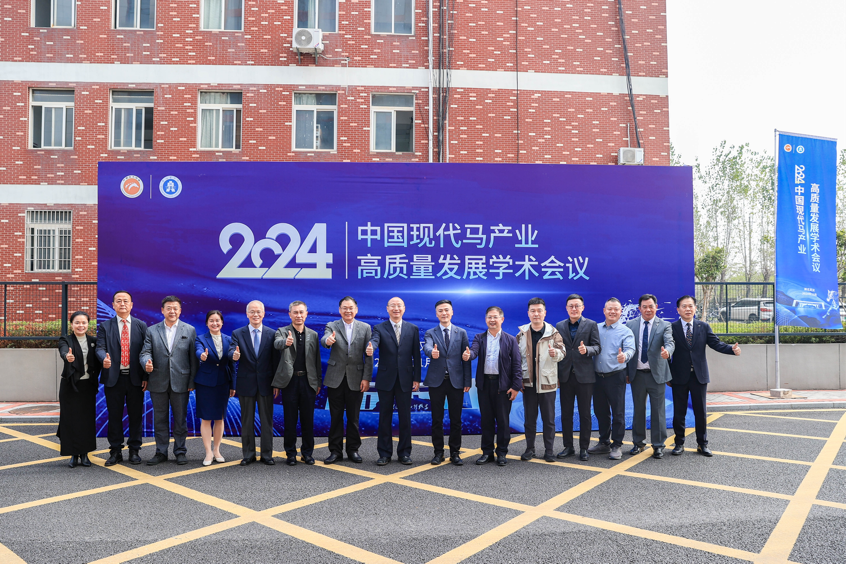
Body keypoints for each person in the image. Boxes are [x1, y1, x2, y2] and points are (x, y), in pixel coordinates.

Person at [669, 295, 741, 457]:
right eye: (684, 306)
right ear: (678, 310)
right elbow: (667, 351)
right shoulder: (671, 328)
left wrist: (731, 350)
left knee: (700, 412)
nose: (688, 309)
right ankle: (679, 443)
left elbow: (716, 344)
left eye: (690, 306)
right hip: (679, 376)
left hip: (699, 376)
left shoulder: (703, 326)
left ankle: (702, 444)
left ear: (695, 308)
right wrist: (668, 375)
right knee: (679, 412)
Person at [140, 296, 199, 465]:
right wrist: (146, 362)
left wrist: (192, 381)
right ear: (162, 310)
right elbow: (145, 352)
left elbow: (193, 359)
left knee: (180, 419)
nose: (172, 311)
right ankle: (161, 452)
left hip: (181, 382)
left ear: (180, 311)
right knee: (160, 419)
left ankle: (180, 451)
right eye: (168, 308)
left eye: (175, 308)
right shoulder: (152, 330)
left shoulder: (189, 330)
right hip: (158, 380)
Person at [463, 306, 522, 466]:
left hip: (503, 385)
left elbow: (517, 364)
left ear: (502, 319)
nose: (492, 320)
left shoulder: (510, 339)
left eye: (495, 317)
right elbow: (474, 352)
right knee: (486, 420)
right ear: (485, 319)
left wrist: (516, 386)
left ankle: (502, 453)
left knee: (503, 421)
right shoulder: (479, 337)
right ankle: (487, 453)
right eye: (489, 317)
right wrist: (469, 355)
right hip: (484, 385)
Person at [95, 290, 147, 466]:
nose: (122, 304)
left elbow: (146, 352)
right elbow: (100, 347)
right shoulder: (105, 326)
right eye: (119, 301)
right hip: (113, 378)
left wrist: (146, 376)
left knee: (136, 416)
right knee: (115, 416)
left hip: (135, 379)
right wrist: (103, 358)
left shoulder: (141, 326)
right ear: (113, 305)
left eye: (126, 301)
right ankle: (115, 451)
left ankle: (134, 450)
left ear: (131, 305)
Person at [368, 297, 421, 466]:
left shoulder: (412, 328)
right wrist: (371, 346)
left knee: (405, 418)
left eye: (399, 306)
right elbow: (375, 340)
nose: (396, 308)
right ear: (387, 309)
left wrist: (417, 378)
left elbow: (416, 355)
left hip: (406, 379)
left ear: (404, 308)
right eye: (393, 306)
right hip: (386, 379)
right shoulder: (379, 328)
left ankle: (404, 453)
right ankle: (384, 453)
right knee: (385, 417)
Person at [321, 296, 373, 464]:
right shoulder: (332, 325)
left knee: (353, 417)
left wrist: (366, 378)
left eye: (351, 308)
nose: (348, 311)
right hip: (335, 378)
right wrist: (328, 341)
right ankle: (335, 451)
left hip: (356, 379)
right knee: (335, 417)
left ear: (356, 310)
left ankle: (353, 450)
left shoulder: (365, 328)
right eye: (344, 308)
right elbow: (325, 339)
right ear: (340, 310)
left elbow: (369, 355)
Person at [229, 300, 280, 466]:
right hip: (246, 384)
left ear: (263, 314)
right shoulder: (238, 333)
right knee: (246, 421)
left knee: (266, 421)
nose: (255, 314)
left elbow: (276, 361)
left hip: (266, 384)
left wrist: (276, 383)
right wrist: (234, 355)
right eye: (252, 311)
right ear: (247, 314)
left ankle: (267, 455)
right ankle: (248, 454)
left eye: (258, 311)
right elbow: (231, 350)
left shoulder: (272, 334)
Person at [626, 293, 675, 459]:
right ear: (639, 308)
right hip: (637, 374)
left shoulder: (665, 325)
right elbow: (626, 348)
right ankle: (638, 443)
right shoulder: (630, 324)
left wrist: (668, 351)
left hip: (657, 375)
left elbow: (670, 342)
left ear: (656, 307)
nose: (648, 309)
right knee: (638, 410)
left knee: (658, 411)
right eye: (644, 307)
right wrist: (626, 372)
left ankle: (658, 445)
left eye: (651, 306)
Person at [272, 301, 321, 466]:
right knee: (290, 420)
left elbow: (316, 360)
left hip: (308, 382)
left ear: (306, 314)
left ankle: (307, 453)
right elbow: (277, 343)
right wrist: (285, 342)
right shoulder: (282, 331)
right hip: (290, 382)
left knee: (308, 420)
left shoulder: (313, 334)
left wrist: (318, 382)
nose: (298, 315)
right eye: (295, 312)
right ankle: (290, 454)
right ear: (290, 314)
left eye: (301, 312)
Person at [423, 299, 472, 466]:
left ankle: (455, 453)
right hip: (437, 382)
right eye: (440, 311)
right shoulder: (430, 332)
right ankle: (438, 453)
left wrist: (467, 380)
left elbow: (466, 357)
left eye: (446, 310)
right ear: (436, 314)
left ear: (452, 312)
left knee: (456, 419)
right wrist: (432, 352)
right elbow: (427, 347)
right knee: (437, 419)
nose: (444, 313)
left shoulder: (461, 332)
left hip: (456, 382)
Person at [516, 298, 565, 463]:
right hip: (528, 383)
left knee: (548, 420)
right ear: (528, 313)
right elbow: (516, 359)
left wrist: (555, 353)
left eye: (539, 311)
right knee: (529, 420)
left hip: (547, 383)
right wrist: (518, 379)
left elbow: (562, 352)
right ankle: (530, 449)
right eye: (533, 311)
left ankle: (549, 451)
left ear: (545, 313)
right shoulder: (521, 334)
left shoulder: (554, 333)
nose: (536, 314)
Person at [555, 294, 601, 461]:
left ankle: (584, 448)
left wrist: (587, 350)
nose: (574, 309)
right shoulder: (559, 326)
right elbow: (557, 350)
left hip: (585, 377)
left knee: (585, 414)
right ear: (567, 308)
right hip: (565, 376)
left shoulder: (591, 324)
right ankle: (568, 447)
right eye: (571, 306)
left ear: (583, 308)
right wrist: (557, 376)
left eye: (577, 306)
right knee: (566, 414)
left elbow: (597, 347)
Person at [590, 298, 636, 460]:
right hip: (597, 377)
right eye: (610, 309)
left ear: (620, 312)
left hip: (616, 376)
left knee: (618, 412)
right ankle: (604, 442)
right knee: (600, 411)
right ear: (604, 311)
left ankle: (616, 445)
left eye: (616, 309)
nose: (613, 312)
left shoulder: (625, 331)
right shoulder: (595, 328)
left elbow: (630, 349)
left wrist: (625, 356)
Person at [57, 311, 101, 468]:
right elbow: (63, 350)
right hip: (70, 385)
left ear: (88, 324)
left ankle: (85, 454)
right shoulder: (66, 339)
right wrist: (67, 357)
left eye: (83, 322)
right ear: (72, 324)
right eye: (77, 322)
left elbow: (99, 358)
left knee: (86, 420)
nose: (80, 325)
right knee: (70, 420)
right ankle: (73, 455)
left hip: (87, 386)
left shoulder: (93, 341)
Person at [194, 310, 236, 466]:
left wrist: (233, 385)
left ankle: (217, 450)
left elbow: (232, 364)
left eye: (217, 320)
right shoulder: (200, 339)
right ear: (207, 323)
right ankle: (208, 452)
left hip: (223, 382)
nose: (214, 323)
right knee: (206, 418)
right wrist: (202, 356)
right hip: (205, 383)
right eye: (211, 320)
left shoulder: (229, 340)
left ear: (222, 322)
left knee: (220, 417)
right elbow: (198, 350)